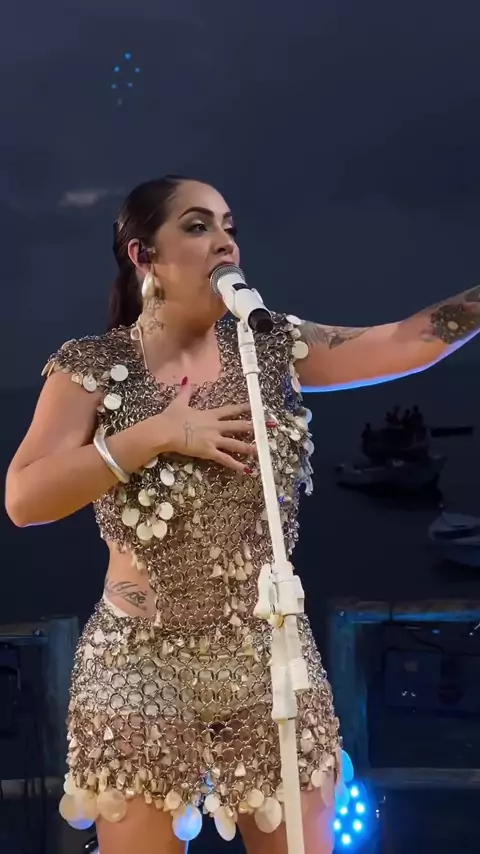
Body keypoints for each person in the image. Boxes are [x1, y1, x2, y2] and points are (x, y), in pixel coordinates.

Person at [5, 175, 480, 854]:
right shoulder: (92, 367)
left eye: (229, 226)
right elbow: (24, 498)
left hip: (270, 657)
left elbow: (409, 340)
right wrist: (155, 435)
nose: (225, 241)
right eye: (197, 225)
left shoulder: (269, 346)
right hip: (139, 665)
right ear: (143, 255)